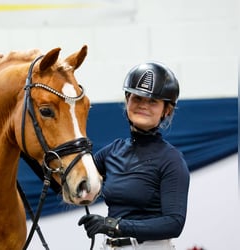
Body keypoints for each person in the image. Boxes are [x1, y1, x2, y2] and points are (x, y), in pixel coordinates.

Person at [78, 61, 190, 250]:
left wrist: (114, 225)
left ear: (167, 110)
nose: (143, 105)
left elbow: (174, 223)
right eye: (137, 98)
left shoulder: (172, 160)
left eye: (153, 101)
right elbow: (76, 182)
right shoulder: (112, 151)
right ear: (127, 100)